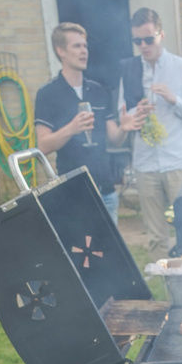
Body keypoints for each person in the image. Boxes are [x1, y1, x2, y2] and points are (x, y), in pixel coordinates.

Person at [118, 7, 182, 259]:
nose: (143, 46)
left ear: (161, 35)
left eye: (149, 39)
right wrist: (134, 115)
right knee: (156, 236)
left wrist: (174, 100)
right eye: (137, 41)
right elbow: (122, 114)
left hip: (177, 161)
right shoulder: (129, 69)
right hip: (145, 163)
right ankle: (162, 280)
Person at [35, 22, 143, 224]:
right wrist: (71, 129)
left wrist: (124, 128)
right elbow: (43, 146)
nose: (84, 51)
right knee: (80, 245)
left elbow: (114, 139)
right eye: (77, 46)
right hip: (73, 194)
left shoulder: (99, 91)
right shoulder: (47, 94)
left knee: (111, 246)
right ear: (60, 51)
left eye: (85, 46)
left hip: (106, 192)